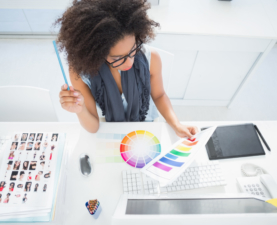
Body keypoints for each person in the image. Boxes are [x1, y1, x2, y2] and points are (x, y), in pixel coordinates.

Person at [55, 0, 199, 138]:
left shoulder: (151, 58)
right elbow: (93, 128)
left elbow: (159, 95)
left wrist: (176, 124)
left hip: (146, 125)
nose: (129, 61)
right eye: (118, 58)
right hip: (110, 127)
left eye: (133, 49)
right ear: (97, 53)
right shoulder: (81, 72)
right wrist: (80, 110)